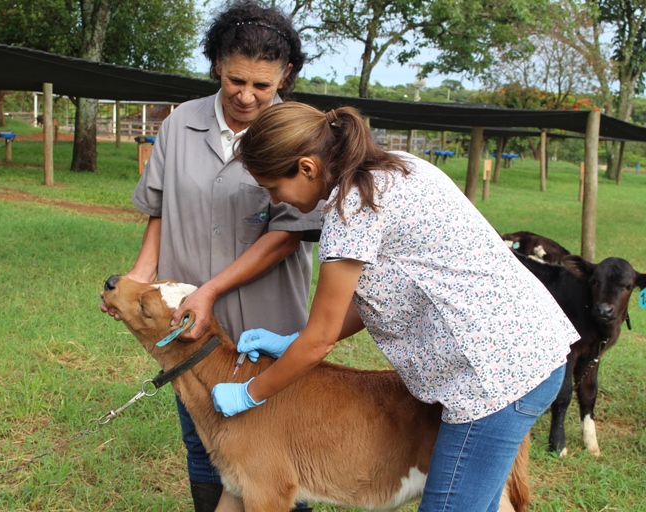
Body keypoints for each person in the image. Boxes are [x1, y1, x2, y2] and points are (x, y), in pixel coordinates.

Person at [212, 102, 580, 512]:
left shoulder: (350, 211)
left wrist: (251, 392)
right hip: (530, 353)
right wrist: (293, 340)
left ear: (307, 168)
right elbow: (372, 300)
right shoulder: (396, 168)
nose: (273, 198)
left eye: (272, 187)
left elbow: (320, 341)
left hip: (492, 381)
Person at [100, 3, 319, 511]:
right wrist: (139, 276)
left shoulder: (299, 134)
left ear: (285, 76)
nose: (246, 96)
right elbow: (159, 210)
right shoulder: (179, 124)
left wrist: (213, 289)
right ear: (217, 63)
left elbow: (288, 234)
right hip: (187, 321)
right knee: (205, 442)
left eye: (262, 86)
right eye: (235, 79)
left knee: (280, 455)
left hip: (266, 323)